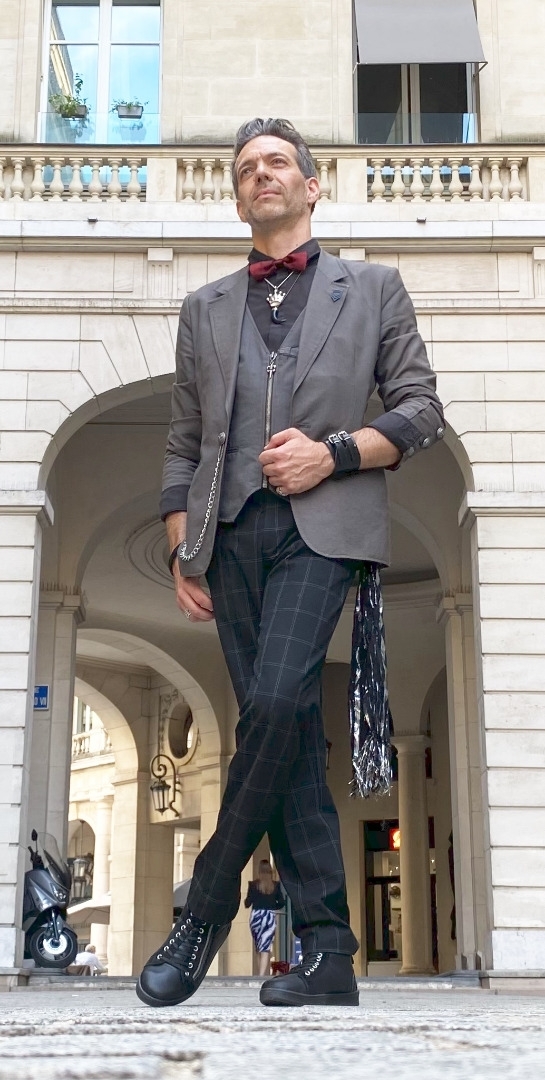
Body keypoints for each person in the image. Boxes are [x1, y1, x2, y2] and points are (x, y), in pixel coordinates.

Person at [136, 117, 444, 1010]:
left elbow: (420, 410)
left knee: (274, 703)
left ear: (311, 186)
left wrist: (333, 454)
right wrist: (179, 544)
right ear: (238, 200)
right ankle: (330, 955)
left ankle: (205, 904)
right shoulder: (203, 308)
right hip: (229, 536)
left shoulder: (373, 288)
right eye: (246, 169)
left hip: (325, 531)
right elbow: (183, 443)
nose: (260, 174)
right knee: (291, 737)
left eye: (276, 162)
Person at [244, 860, 285, 976]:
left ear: (259, 871)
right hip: (269, 917)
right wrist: (271, 906)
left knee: (258, 947)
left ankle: (260, 974)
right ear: (270, 871)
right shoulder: (276, 885)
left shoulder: (253, 885)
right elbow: (282, 903)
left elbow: (247, 903)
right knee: (265, 947)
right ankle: (261, 976)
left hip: (256, 917)